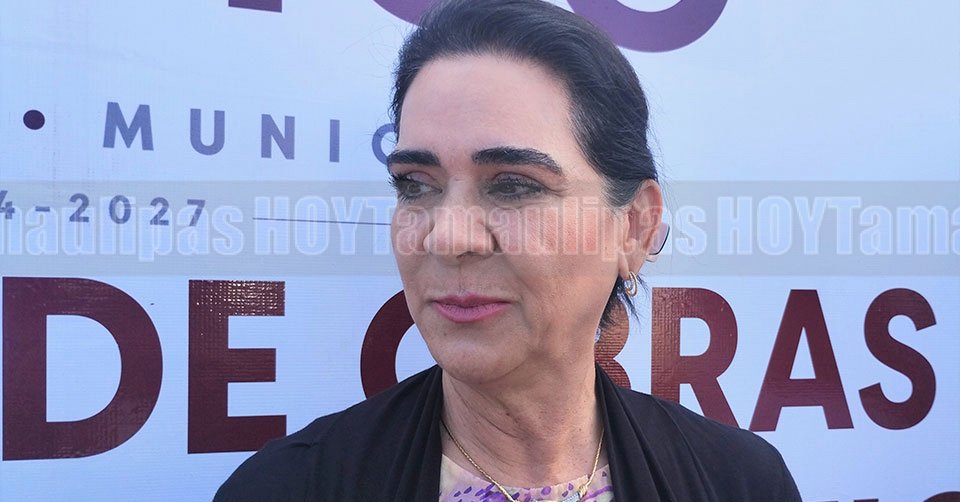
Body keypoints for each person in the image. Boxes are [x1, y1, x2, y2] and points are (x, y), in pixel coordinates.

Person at [216, 0, 801, 500]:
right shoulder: (286, 488)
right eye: (415, 185)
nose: (449, 237)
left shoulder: (740, 482)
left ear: (634, 227)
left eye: (514, 186)